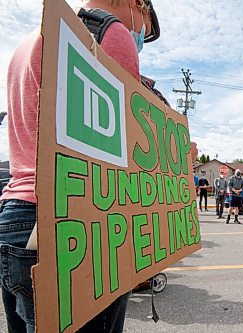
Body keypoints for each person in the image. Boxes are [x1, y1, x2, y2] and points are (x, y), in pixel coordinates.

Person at [0, 1, 164, 331]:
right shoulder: (110, 34)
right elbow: (128, 153)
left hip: (17, 218)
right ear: (137, 5)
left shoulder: (33, 41)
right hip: (73, 226)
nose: (140, 39)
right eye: (145, 28)